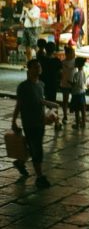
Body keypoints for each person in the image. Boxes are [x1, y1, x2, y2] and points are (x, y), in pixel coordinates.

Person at [10, 59, 57, 188]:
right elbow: (19, 104)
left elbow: (40, 101)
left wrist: (50, 108)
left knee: (33, 146)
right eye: (35, 67)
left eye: (39, 66)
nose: (38, 69)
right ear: (29, 70)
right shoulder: (23, 87)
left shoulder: (41, 85)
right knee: (37, 149)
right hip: (30, 122)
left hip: (40, 121)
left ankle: (20, 162)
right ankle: (40, 177)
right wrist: (14, 121)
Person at [40, 42, 62, 127]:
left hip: (43, 84)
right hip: (53, 84)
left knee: (43, 102)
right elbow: (60, 73)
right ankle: (56, 121)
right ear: (53, 50)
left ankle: (43, 119)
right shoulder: (56, 61)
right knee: (53, 103)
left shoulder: (42, 60)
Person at [58, 44, 76, 125]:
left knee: (75, 100)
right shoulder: (63, 63)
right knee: (65, 100)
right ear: (67, 54)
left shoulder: (74, 62)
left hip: (73, 84)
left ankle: (75, 115)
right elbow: (60, 73)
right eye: (72, 53)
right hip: (65, 84)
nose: (74, 54)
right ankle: (65, 115)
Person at [69, 56, 87, 128]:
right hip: (82, 92)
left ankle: (77, 124)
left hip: (76, 93)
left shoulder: (76, 74)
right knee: (83, 109)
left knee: (76, 110)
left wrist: (69, 82)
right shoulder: (83, 73)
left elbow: (74, 84)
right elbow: (84, 81)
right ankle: (83, 123)